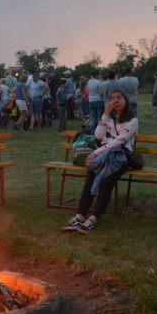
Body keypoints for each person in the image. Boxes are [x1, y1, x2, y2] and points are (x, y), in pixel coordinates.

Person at [61, 89, 138, 235]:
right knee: (89, 181)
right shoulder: (109, 118)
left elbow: (118, 141)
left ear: (126, 100)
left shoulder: (133, 121)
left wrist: (95, 153)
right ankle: (79, 217)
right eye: (112, 98)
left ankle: (92, 219)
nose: (115, 101)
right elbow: (98, 135)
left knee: (106, 182)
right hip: (102, 155)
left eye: (119, 98)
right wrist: (106, 113)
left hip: (120, 156)